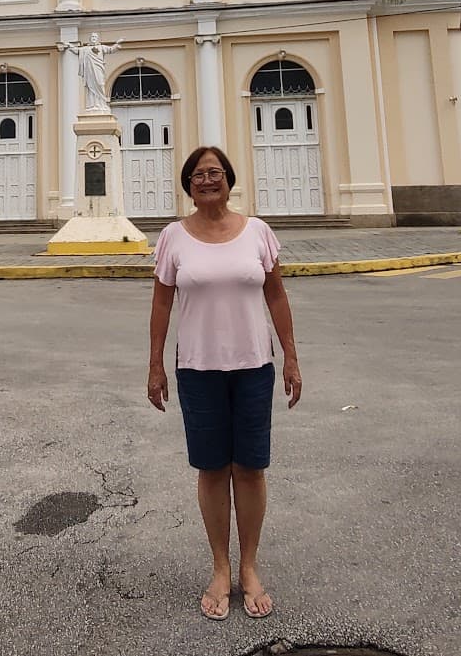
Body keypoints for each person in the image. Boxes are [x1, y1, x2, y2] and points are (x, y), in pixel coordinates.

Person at [147, 145, 301, 621]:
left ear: (229, 179)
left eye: (215, 172)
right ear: (187, 184)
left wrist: (291, 356)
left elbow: (276, 296)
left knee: (251, 468)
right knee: (212, 469)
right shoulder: (174, 237)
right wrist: (155, 364)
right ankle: (220, 567)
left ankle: (249, 566)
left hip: (254, 364)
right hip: (197, 368)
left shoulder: (257, 232)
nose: (207, 180)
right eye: (197, 174)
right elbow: (161, 304)